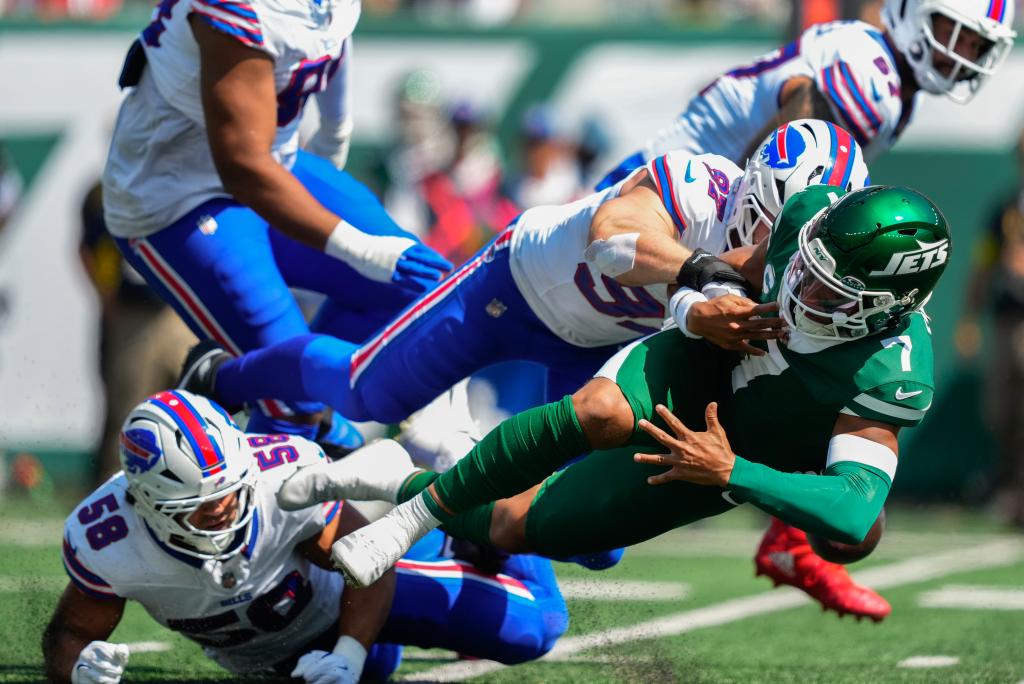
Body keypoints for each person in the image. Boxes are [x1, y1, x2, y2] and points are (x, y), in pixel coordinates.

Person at [278, 185, 949, 614]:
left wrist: (731, 471)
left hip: (729, 450)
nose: (802, 289)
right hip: (704, 361)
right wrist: (700, 308)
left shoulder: (890, 368)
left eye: (832, 293)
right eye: (806, 266)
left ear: (888, 308)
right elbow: (722, 270)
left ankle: (394, 477)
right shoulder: (805, 218)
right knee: (598, 412)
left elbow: (855, 509)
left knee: (515, 526)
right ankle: (409, 520)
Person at [101, 0, 451, 447]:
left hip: (273, 164)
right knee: (294, 404)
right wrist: (362, 249)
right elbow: (243, 168)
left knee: (425, 290)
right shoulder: (239, 9)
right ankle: (232, 388)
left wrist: (335, 128)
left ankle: (279, 389)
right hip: (180, 197)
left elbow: (330, 32)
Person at [42, 391, 566, 684]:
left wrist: (348, 652)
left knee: (535, 627)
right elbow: (69, 634)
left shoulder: (274, 482)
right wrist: (78, 669)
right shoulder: (109, 540)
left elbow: (368, 562)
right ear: (151, 506)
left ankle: (472, 476)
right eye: (203, 505)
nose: (225, 508)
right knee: (377, 670)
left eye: (232, 489)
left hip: (344, 594)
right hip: (277, 656)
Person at [598, 0, 1016, 191]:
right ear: (914, 11)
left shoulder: (891, 82)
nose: (963, 56)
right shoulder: (869, 73)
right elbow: (770, 172)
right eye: (955, 35)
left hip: (678, 191)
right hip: (657, 192)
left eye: (976, 46)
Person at [79, 180, 197, 483]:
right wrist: (106, 298)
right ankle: (117, 493)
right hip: (134, 316)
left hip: (178, 311)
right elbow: (89, 247)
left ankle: (196, 488)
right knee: (129, 413)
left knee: (195, 407)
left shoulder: (183, 181)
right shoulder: (102, 194)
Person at [955, 128, 1024, 528]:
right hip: (1007, 322)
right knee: (1001, 409)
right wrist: (969, 319)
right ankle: (1011, 488)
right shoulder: (1005, 209)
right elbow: (982, 267)